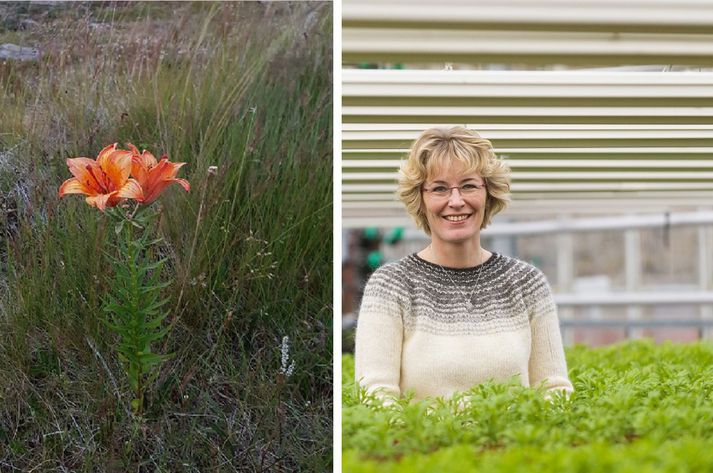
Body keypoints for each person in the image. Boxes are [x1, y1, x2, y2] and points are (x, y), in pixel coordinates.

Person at [354, 126, 573, 403]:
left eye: (468, 185)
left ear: (488, 193)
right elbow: (375, 394)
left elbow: (554, 388)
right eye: (439, 189)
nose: (456, 201)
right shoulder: (391, 285)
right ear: (420, 198)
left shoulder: (526, 283)